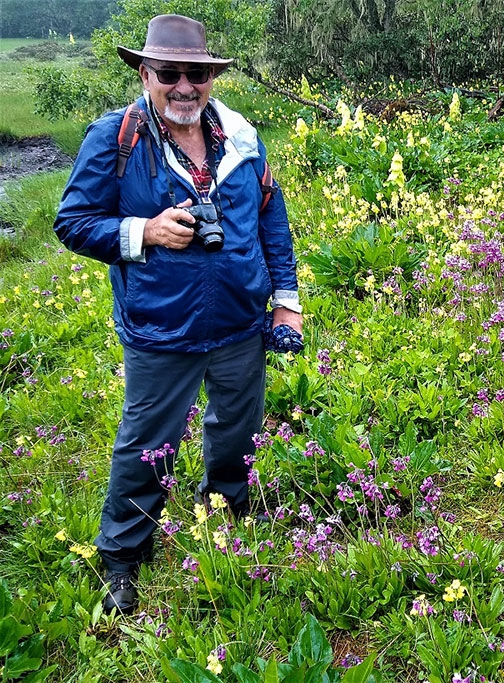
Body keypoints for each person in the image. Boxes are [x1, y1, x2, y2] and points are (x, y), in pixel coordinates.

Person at [53, 14, 303, 615]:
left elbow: (270, 217)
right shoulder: (115, 138)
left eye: (197, 73)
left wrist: (287, 302)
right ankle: (122, 555)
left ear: (211, 78)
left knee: (237, 428)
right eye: (169, 73)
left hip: (242, 322)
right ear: (146, 74)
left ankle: (227, 505)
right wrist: (145, 231)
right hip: (161, 329)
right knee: (148, 444)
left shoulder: (241, 136)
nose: (184, 85)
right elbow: (73, 223)